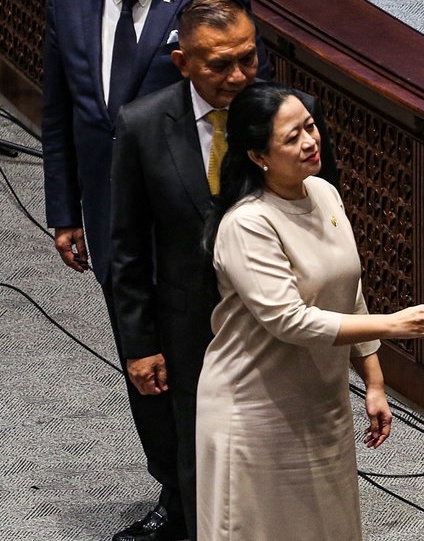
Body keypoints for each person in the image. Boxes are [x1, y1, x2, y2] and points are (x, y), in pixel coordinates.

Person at [108, 1, 339, 539]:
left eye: (248, 58)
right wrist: (139, 345)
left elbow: (325, 218)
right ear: (182, 62)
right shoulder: (142, 125)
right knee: (199, 453)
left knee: (284, 446)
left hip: (281, 318)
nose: (238, 76)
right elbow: (128, 249)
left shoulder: (295, 114)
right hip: (191, 326)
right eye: (219, 65)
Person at [41, 0, 271, 539]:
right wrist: (66, 211)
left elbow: (253, 101)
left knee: (219, 371)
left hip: (194, 224)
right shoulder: (69, 7)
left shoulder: (205, 9)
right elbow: (61, 114)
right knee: (147, 369)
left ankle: (240, 503)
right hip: (113, 218)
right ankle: (177, 499)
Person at [194, 81, 424, 540]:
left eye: (310, 127)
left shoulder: (324, 193)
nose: (311, 142)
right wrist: (394, 325)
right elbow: (289, 320)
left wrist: (374, 381)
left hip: (321, 402)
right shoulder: (248, 223)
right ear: (258, 155)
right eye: (292, 137)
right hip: (254, 411)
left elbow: (348, 290)